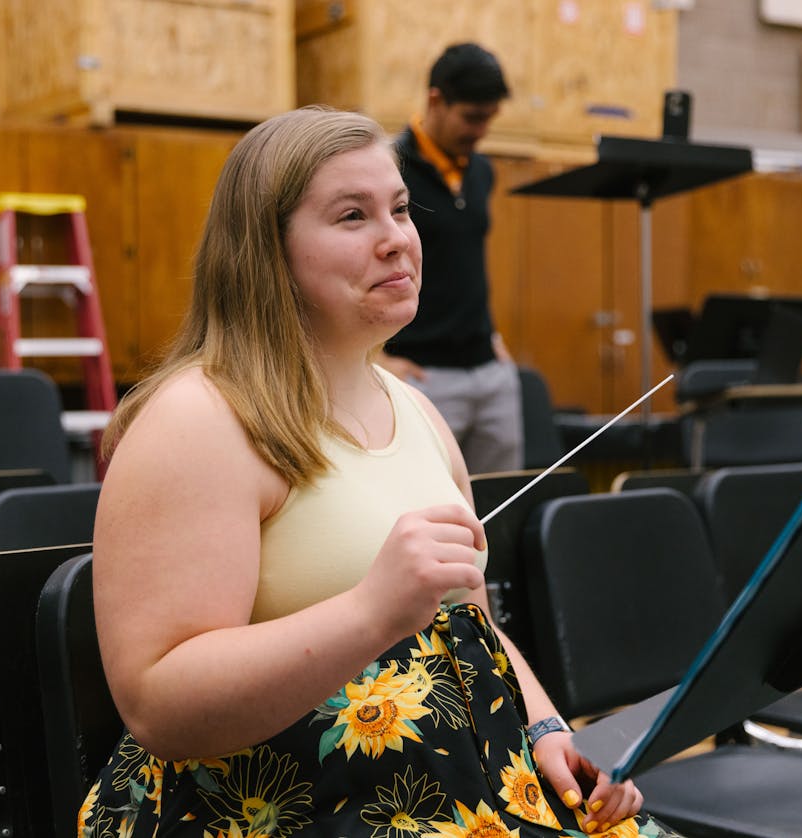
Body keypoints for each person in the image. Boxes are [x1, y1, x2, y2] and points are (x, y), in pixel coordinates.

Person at [81, 106, 674, 838]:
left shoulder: (418, 413)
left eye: (399, 209)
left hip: (466, 787)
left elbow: (470, 626)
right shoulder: (198, 420)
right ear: (267, 251)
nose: (396, 239)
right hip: (288, 811)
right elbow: (158, 706)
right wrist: (370, 612)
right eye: (353, 216)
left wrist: (550, 727)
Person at [380, 42, 524, 476]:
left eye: (489, 118)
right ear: (436, 100)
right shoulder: (390, 169)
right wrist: (377, 359)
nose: (481, 130)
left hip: (490, 369)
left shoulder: (482, 172)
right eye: (472, 117)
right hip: (424, 376)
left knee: (501, 505)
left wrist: (492, 334)